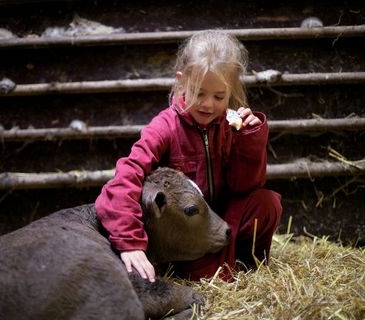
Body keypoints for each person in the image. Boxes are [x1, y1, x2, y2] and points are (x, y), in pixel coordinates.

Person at [95, 29, 282, 282]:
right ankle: (222, 267)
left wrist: (250, 140)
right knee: (205, 275)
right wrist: (130, 241)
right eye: (198, 93)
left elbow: (245, 186)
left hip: (218, 224)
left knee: (266, 202)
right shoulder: (164, 127)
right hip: (188, 231)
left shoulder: (230, 124)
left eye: (219, 96)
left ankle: (246, 268)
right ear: (182, 81)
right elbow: (125, 178)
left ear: (232, 91)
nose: (207, 104)